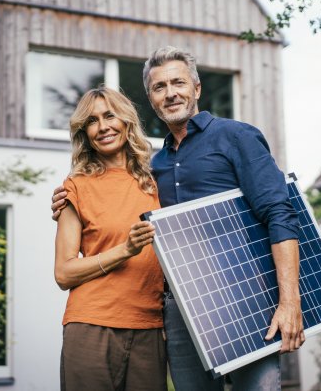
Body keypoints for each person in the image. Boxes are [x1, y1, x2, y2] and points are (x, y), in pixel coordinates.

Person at [53, 47, 304, 391]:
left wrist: (290, 302)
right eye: (160, 87)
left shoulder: (233, 137)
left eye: (178, 83)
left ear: (196, 88)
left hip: (243, 298)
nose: (170, 93)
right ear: (151, 100)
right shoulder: (154, 168)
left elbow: (279, 212)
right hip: (179, 311)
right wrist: (69, 202)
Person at [54, 86, 166, 391]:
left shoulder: (157, 184)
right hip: (91, 326)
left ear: (127, 121)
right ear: (84, 133)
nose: (103, 127)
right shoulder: (76, 186)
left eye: (109, 116)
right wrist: (125, 250)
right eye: (91, 121)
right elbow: (63, 273)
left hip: (150, 330)